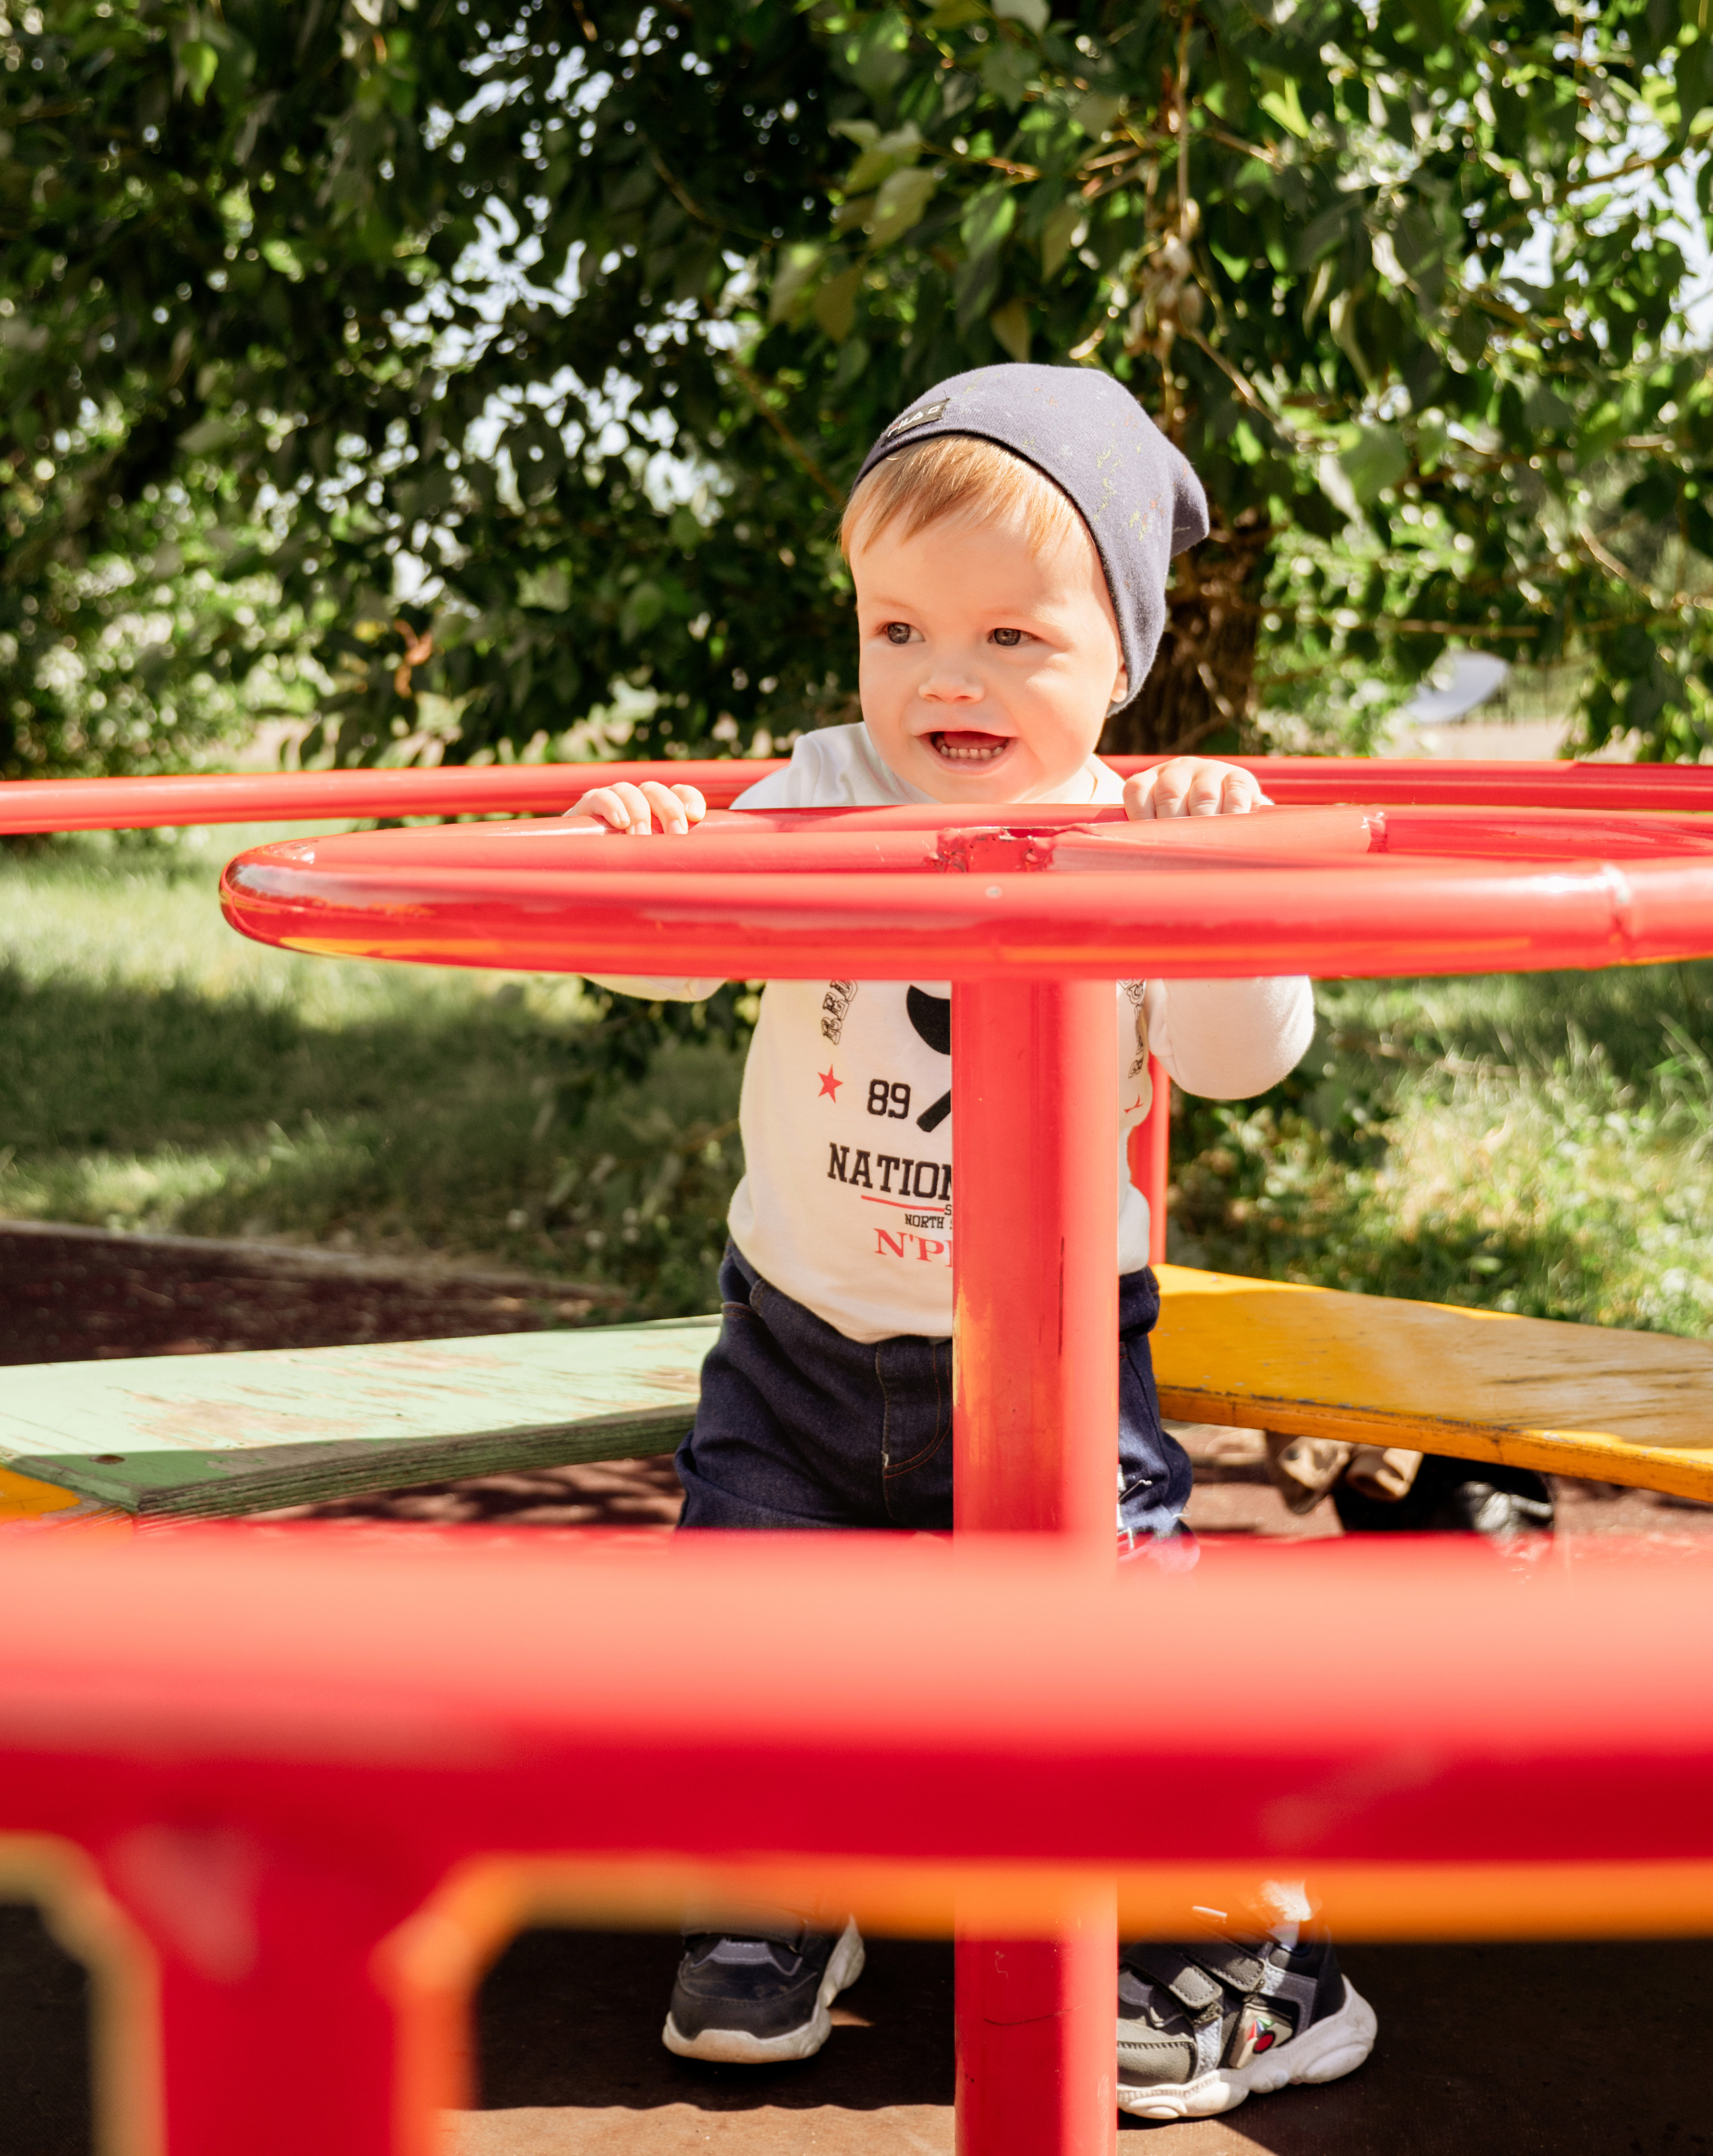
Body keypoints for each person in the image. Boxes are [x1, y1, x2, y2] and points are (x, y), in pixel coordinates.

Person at [563, 362, 1377, 2121]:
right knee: (751, 1631)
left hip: (1052, 1358)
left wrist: (1230, 901)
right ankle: (786, 1887)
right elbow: (650, 959)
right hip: (798, 1351)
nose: (947, 678)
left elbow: (1245, 1062)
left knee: (1113, 1657)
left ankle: (1241, 1951)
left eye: (1014, 638)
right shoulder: (818, 794)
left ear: (1120, 657)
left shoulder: (1136, 835)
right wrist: (628, 853)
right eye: (903, 628)